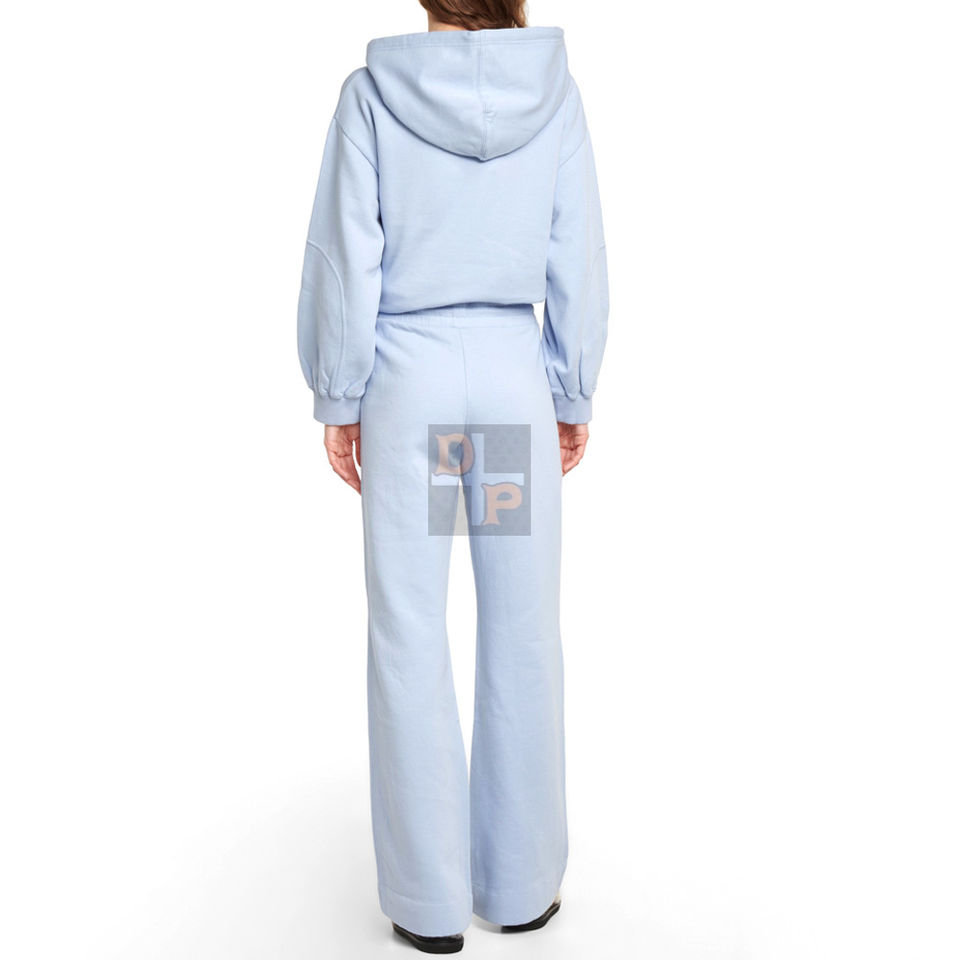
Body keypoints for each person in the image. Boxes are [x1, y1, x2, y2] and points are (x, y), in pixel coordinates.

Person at [297, 0, 608, 952]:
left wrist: (339, 395)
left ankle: (427, 906)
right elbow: (577, 252)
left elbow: (345, 258)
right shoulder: (553, 94)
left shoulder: (371, 96)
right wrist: (571, 388)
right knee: (522, 626)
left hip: (411, 391)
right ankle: (521, 889)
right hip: (509, 390)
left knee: (409, 630)